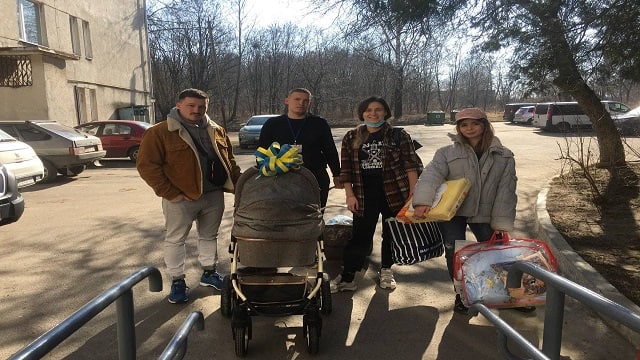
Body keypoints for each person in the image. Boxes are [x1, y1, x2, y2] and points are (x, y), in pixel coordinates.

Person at [136, 88, 242, 304]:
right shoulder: (160, 132)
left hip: (213, 195)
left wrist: (240, 184)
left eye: (202, 106)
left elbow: (229, 160)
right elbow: (147, 166)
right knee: (176, 239)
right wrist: (169, 193)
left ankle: (209, 273)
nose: (197, 110)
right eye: (191, 106)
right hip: (181, 198)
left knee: (209, 236)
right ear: (179, 105)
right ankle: (177, 281)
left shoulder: (217, 130)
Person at [411, 107, 518, 314]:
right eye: (464, 125)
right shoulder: (447, 153)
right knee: (454, 253)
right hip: (452, 213)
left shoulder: (503, 155)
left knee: (495, 251)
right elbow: (431, 176)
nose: (470, 128)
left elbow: (506, 191)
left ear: (485, 125)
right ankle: (462, 294)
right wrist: (421, 202)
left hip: (485, 213)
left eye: (475, 123)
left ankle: (506, 292)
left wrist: (501, 224)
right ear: (459, 128)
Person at [330, 96, 421, 293]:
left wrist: (413, 193)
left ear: (386, 112)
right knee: (360, 236)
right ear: (362, 113)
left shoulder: (398, 135)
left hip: (395, 191)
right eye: (368, 110)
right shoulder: (351, 136)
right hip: (364, 193)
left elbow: (411, 165)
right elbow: (346, 170)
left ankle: (387, 270)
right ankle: (348, 277)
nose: (373, 113)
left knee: (391, 234)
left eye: (378, 109)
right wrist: (349, 195)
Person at [257, 88, 342, 208]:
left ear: (309, 103)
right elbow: (262, 152)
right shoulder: (272, 124)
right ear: (287, 100)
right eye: (297, 99)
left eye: (305, 100)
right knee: (284, 218)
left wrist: (337, 174)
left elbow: (330, 151)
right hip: (281, 180)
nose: (301, 103)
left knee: (313, 218)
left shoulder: (319, 124)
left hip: (315, 178)